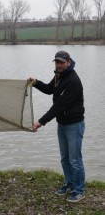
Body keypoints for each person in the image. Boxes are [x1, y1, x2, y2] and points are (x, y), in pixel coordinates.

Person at [29, 50, 85, 203]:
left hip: (74, 125)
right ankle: (69, 183)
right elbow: (49, 90)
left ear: (68, 62)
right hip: (62, 124)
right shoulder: (59, 76)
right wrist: (35, 82)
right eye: (57, 62)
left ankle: (79, 190)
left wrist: (40, 122)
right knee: (65, 158)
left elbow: (59, 106)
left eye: (62, 62)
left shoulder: (73, 81)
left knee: (75, 160)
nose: (59, 65)